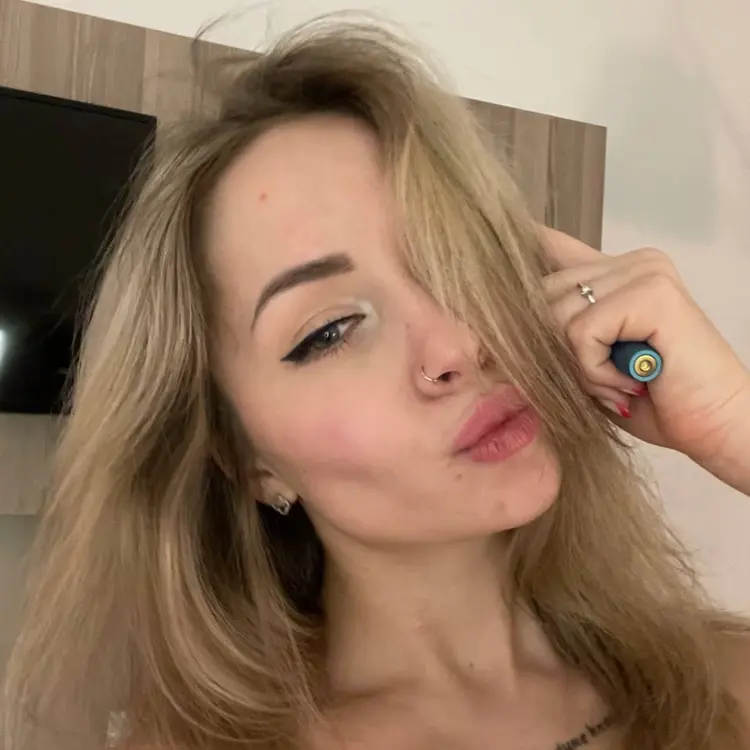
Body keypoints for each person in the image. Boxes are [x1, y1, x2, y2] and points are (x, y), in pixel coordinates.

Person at [4, 14, 750, 750]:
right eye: (329, 331)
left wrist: (734, 425)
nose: (461, 345)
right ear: (246, 457)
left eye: (459, 260)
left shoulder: (724, 682)